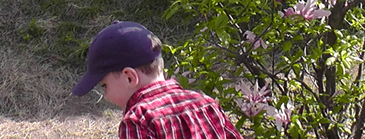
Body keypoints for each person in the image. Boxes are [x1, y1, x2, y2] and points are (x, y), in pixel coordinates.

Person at [73, 21, 243, 139]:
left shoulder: (138, 120)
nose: (106, 95)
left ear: (129, 77)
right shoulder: (206, 104)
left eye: (104, 86)